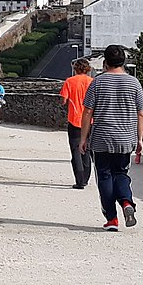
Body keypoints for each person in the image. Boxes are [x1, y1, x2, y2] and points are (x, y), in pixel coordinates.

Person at [79, 45, 143, 231]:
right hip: (125, 138)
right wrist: (140, 139)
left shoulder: (97, 82)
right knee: (121, 174)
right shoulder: (134, 83)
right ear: (124, 61)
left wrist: (83, 138)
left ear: (105, 62)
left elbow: (87, 112)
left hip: (101, 137)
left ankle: (112, 219)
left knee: (105, 176)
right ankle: (126, 202)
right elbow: (141, 113)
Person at [60, 59, 93, 189]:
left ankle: (79, 180)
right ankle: (85, 178)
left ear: (76, 68)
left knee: (75, 150)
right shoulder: (92, 82)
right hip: (90, 120)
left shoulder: (70, 81)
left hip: (74, 119)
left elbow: (63, 100)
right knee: (87, 150)